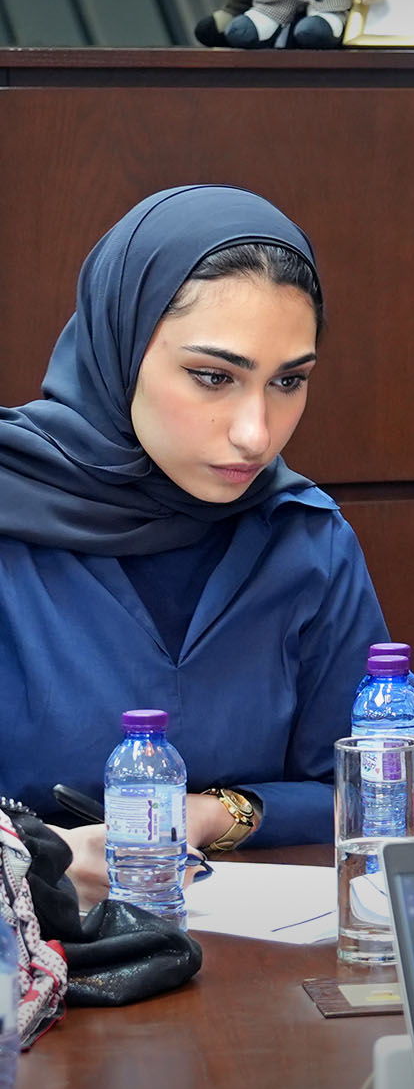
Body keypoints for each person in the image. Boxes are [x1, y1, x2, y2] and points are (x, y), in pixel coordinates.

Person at [0, 185, 388, 896]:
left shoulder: (305, 539)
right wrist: (33, 859)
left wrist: (213, 815)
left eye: (289, 382)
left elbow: (370, 795)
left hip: (260, 973)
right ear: (119, 345)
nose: (256, 433)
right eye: (213, 377)